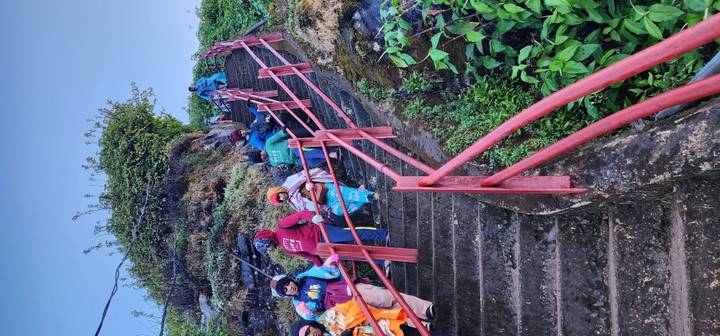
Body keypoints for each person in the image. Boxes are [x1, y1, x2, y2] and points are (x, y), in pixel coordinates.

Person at [273, 256, 434, 327]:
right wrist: (311, 313)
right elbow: (320, 322)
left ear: (290, 279)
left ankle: (425, 309)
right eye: (285, 290)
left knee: (386, 298)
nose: (289, 288)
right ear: (286, 295)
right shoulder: (299, 306)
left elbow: (325, 271)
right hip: (343, 309)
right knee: (384, 315)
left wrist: (329, 264)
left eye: (287, 284)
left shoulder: (305, 277)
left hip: (347, 289)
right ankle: (421, 325)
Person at [253, 210, 388, 267]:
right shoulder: (285, 248)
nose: (271, 249)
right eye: (268, 249)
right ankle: (382, 260)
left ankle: (382, 234)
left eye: (268, 246)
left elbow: (299, 215)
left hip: (322, 233)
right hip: (323, 250)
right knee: (353, 254)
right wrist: (319, 265)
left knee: (352, 234)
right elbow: (307, 255)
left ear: (267, 239)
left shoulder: (281, 227)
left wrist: (312, 218)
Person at [267, 168, 379, 217]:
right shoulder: (293, 204)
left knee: (342, 194)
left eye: (279, 196)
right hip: (324, 201)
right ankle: (361, 192)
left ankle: (370, 195)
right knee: (339, 211)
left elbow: (306, 174)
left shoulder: (290, 181)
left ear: (279, 191)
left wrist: (308, 183)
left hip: (323, 188)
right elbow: (308, 209)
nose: (282, 198)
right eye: (280, 200)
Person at [264, 128, 332, 168]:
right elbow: (287, 165)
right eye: (262, 158)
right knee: (312, 162)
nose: (262, 156)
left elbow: (279, 135)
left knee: (310, 153)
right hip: (296, 161)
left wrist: (283, 131)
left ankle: (332, 154)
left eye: (261, 155)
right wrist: (287, 166)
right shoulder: (273, 164)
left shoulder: (268, 144)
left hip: (293, 149)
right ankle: (331, 154)